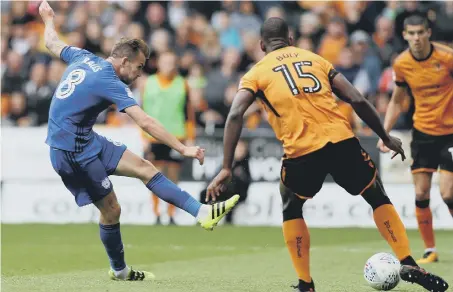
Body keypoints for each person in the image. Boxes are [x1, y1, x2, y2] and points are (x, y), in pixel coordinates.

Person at [206, 17, 449, 292]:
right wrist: (385, 136)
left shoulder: (256, 73)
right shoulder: (315, 59)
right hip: (342, 141)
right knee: (376, 195)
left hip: (301, 151)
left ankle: (305, 283)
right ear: (291, 39)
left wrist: (226, 166)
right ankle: (408, 261)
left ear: (262, 45)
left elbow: (236, 113)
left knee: (292, 206)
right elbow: (356, 98)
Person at [39, 0, 239, 282]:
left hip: (86, 139)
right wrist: (183, 148)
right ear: (123, 62)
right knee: (112, 210)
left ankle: (203, 212)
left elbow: (51, 42)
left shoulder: (84, 57)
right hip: (70, 151)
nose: (140, 73)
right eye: (139, 67)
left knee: (146, 168)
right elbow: (144, 121)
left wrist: (47, 17)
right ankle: (119, 271)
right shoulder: (109, 80)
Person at [378, 14, 453, 264]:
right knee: (421, 193)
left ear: (428, 32)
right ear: (404, 36)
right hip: (422, 133)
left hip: (451, 133)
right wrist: (384, 133)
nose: (417, 38)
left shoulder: (447, 57)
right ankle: (430, 249)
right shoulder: (401, 63)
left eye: (421, 32)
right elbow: (398, 100)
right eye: (412, 34)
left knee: (448, 193)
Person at [141, 51, 196, 225]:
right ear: (159, 64)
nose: (168, 66)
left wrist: (190, 136)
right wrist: (142, 135)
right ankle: (156, 213)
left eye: (172, 62)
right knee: (154, 176)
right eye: (165, 62)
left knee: (173, 177)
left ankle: (171, 214)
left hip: (176, 136)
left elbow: (189, 114)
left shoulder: (182, 84)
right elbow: (141, 110)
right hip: (153, 137)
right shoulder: (148, 83)